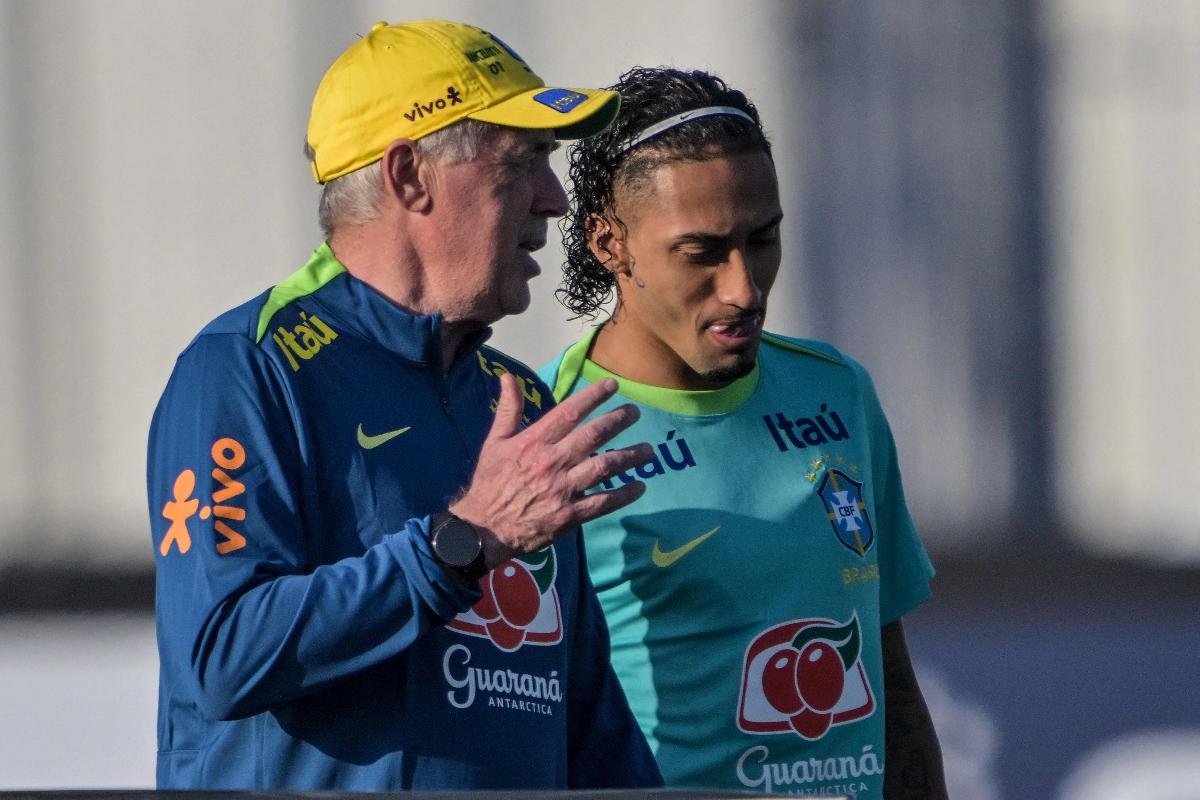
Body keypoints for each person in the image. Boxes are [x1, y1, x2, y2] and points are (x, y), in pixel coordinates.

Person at [146, 20, 664, 791]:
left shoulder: (520, 398)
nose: (555, 200)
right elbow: (222, 654)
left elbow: (586, 717)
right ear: (410, 176)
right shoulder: (246, 367)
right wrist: (465, 540)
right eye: (524, 161)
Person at [539, 66, 948, 799]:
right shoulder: (550, 430)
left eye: (763, 241)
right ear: (609, 242)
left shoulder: (838, 392)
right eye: (702, 253)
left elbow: (892, 678)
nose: (744, 287)